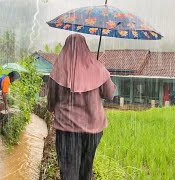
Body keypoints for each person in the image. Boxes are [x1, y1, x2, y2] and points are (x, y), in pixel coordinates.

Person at [47, 34, 116, 180]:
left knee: (68, 171)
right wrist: (96, 77)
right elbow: (109, 94)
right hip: (93, 130)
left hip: (67, 130)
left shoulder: (58, 70)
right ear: (85, 47)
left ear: (66, 48)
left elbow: (51, 100)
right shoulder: (98, 68)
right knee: (86, 168)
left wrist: (51, 108)